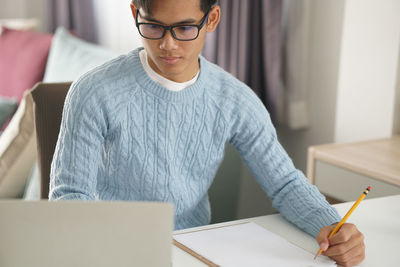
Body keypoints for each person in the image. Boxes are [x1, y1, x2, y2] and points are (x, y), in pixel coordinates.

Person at [49, 0, 365, 266]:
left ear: (211, 19)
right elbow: (70, 196)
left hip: (192, 251)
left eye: (185, 28)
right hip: (111, 251)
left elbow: (284, 183)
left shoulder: (234, 98)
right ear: (135, 14)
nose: (167, 45)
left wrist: (333, 225)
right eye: (154, 27)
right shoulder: (93, 91)